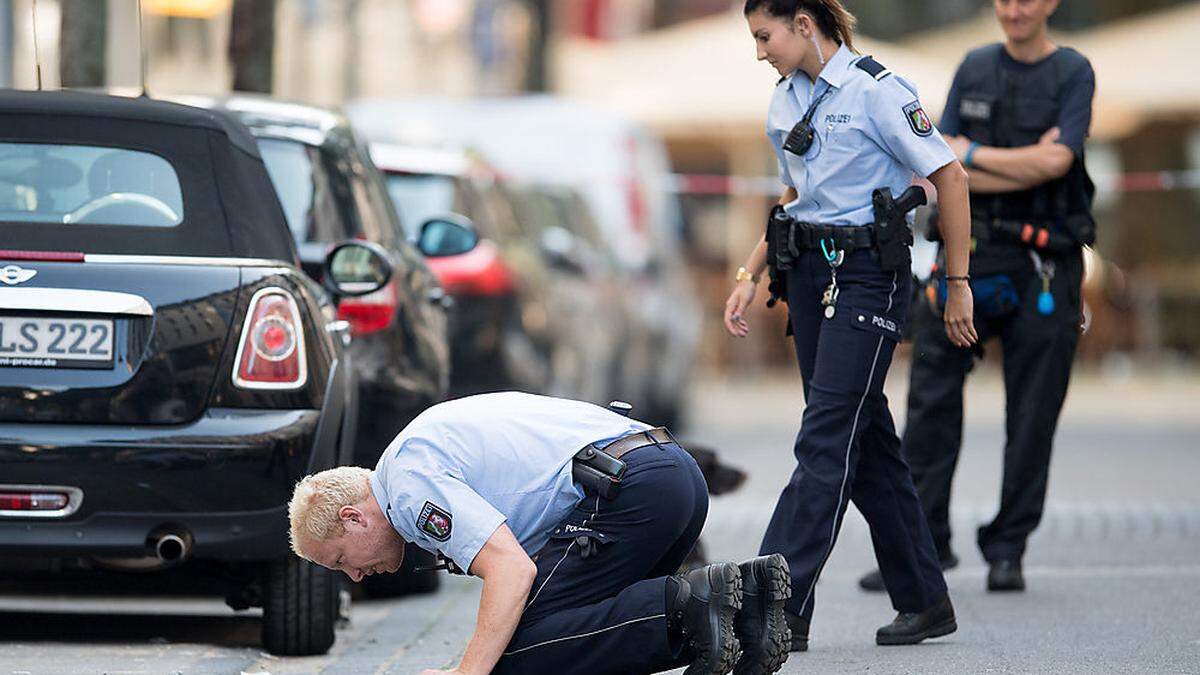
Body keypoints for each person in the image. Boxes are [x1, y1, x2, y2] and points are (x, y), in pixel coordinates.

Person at [724, 0, 978, 652]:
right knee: (864, 440)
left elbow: (950, 177)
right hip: (806, 276)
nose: (759, 52)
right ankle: (924, 597)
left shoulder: (878, 92)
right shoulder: (784, 102)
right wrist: (749, 274)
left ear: (804, 23)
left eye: (764, 36)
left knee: (826, 438)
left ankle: (773, 605)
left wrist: (957, 282)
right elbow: (793, 195)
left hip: (870, 276)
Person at [288, 392, 794, 675]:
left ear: (353, 517)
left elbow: (511, 570)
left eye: (340, 561)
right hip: (671, 471)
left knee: (515, 652)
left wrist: (467, 674)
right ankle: (747, 607)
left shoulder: (408, 486)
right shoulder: (412, 455)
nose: (354, 575)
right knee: (576, 624)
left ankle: (695, 604)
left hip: (634, 490)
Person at [858, 0, 1096, 595]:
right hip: (970, 256)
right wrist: (1010, 163)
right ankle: (922, 545)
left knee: (1033, 413)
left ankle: (1008, 547)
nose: (1014, 9)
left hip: (1045, 268)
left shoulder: (1073, 72)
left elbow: (1058, 160)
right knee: (930, 403)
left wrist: (974, 158)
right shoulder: (973, 66)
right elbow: (939, 158)